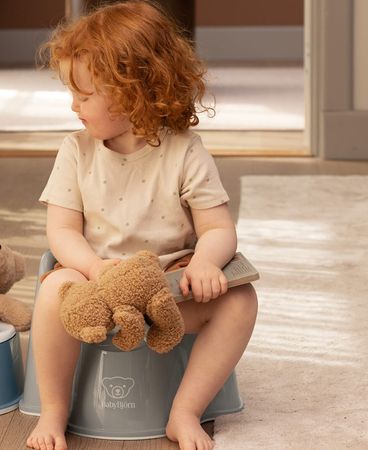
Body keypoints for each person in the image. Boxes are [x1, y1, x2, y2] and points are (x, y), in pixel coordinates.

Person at [26, 2, 258, 449]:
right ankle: (54, 410)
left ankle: (185, 411)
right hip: (95, 286)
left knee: (241, 302)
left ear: (132, 93)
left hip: (167, 291)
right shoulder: (76, 151)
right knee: (54, 291)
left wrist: (205, 264)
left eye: (84, 95)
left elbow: (218, 228)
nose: (73, 105)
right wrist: (93, 268)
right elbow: (62, 233)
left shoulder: (185, 152)